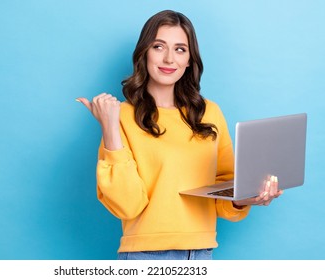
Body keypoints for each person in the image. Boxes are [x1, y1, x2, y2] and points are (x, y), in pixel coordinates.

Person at [76, 10, 283, 260]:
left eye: (180, 49)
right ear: (144, 53)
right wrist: (109, 127)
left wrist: (246, 198)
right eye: (158, 46)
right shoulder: (120, 116)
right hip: (145, 257)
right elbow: (127, 205)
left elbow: (225, 192)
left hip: (201, 253)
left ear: (189, 60)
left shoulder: (210, 113)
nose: (168, 58)